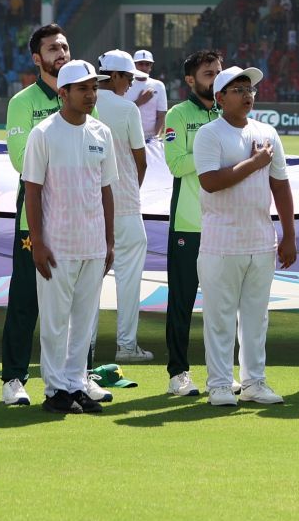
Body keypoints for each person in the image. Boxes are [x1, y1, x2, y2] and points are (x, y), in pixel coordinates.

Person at [193, 66, 297, 406]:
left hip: (261, 240)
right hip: (221, 242)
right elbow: (210, 181)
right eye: (237, 89)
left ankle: (254, 382)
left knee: (256, 318)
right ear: (220, 98)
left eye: (249, 88)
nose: (247, 93)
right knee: (220, 318)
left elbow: (280, 185)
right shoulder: (210, 134)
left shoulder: (267, 132)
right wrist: (254, 163)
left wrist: (289, 235)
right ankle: (221, 385)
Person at [22, 60, 118, 414]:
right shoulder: (43, 133)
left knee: (84, 322)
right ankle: (54, 391)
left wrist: (108, 241)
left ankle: (76, 386)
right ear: (63, 92)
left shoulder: (101, 132)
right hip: (57, 244)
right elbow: (32, 191)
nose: (91, 94)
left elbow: (106, 189)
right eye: (83, 88)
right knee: (54, 321)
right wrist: (38, 241)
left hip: (93, 244)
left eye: (94, 88)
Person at [0, 23, 71, 408]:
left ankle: (76, 376)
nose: (61, 52)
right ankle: (13, 378)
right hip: (36, 218)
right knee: (26, 299)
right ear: (37, 58)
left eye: (64, 46)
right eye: (52, 48)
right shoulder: (24, 102)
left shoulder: (81, 95)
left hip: (78, 218)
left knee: (75, 303)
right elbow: (19, 160)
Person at [161, 49, 223, 396]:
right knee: (182, 303)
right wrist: (213, 151)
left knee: (223, 305)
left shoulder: (227, 113)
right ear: (190, 80)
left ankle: (220, 372)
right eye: (208, 74)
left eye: (218, 72)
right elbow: (176, 164)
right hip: (189, 224)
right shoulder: (178, 114)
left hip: (224, 224)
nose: (214, 79)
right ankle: (178, 373)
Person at [95, 51, 151, 364]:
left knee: (89, 282)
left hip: (91, 207)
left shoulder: (79, 103)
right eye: (128, 77)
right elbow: (140, 159)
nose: (130, 84)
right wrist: (130, 188)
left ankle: (84, 349)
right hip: (126, 207)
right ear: (114, 76)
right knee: (129, 280)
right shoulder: (127, 108)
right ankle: (126, 347)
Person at [126, 48, 165, 142]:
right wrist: (140, 101)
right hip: (129, 137)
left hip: (151, 138)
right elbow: (122, 112)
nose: (144, 67)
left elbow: (161, 115)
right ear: (134, 65)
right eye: (140, 64)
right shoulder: (126, 84)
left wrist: (156, 137)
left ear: (151, 66)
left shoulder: (159, 85)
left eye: (147, 64)